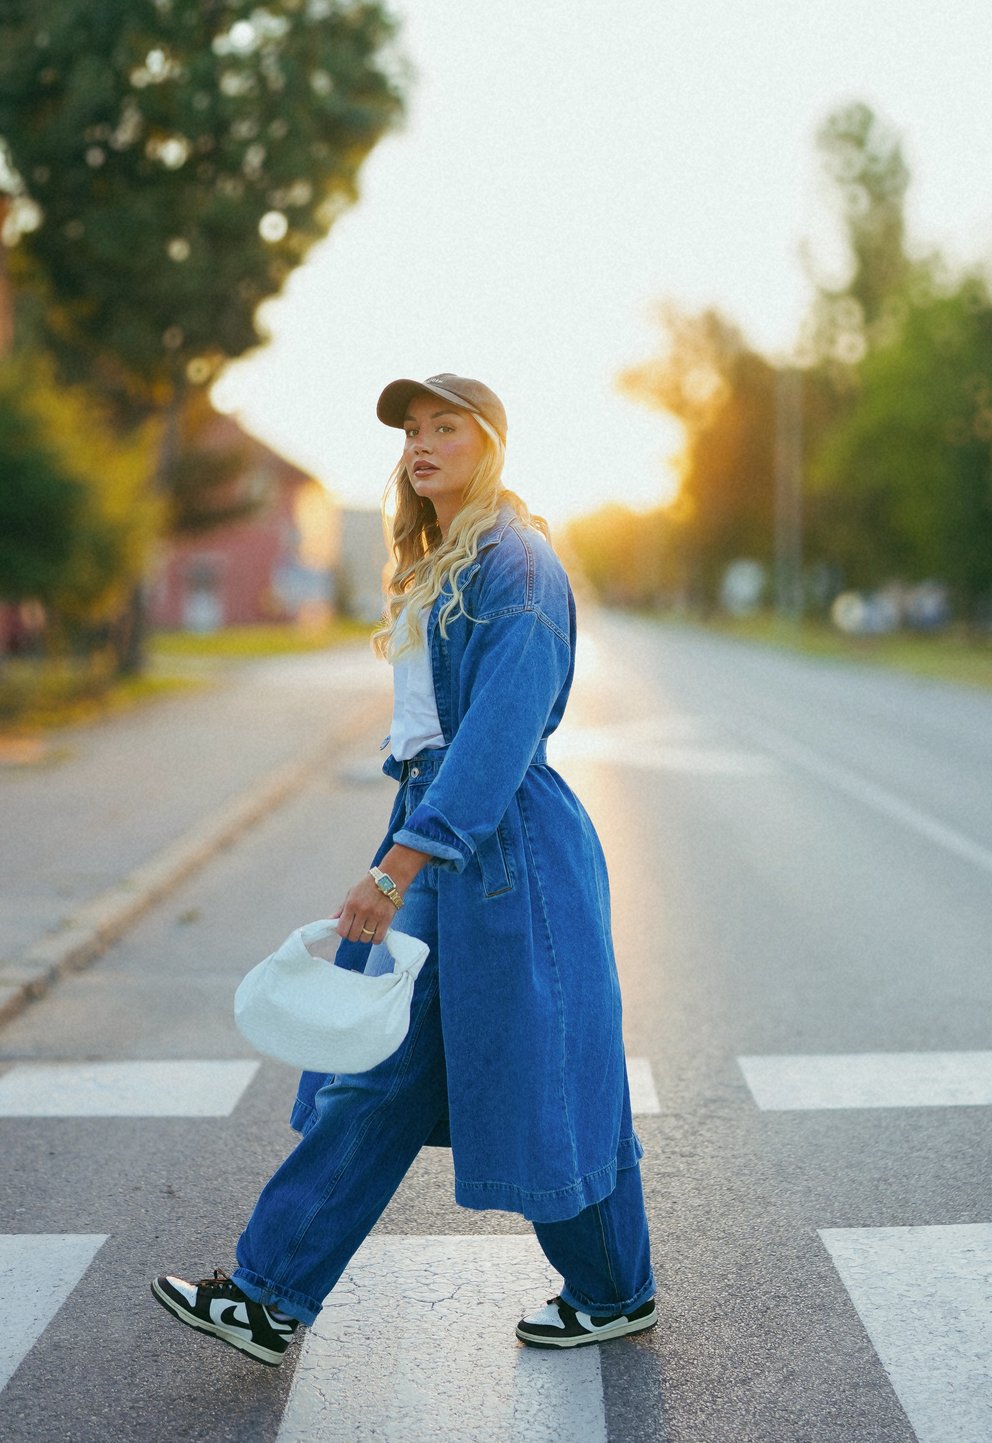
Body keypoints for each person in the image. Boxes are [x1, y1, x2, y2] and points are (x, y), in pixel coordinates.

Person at [151, 373, 656, 1366]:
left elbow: (495, 740)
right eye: (413, 431)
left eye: (447, 429)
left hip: (502, 851)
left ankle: (610, 1289)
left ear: (492, 447)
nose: (422, 445)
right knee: (375, 1069)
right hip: (444, 832)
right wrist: (402, 850)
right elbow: (431, 743)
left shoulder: (515, 564)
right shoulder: (441, 563)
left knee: (549, 1073)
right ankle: (267, 1293)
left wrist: (393, 870)